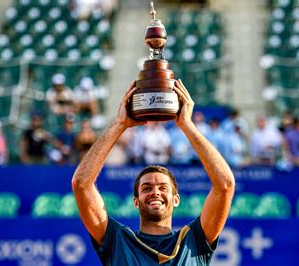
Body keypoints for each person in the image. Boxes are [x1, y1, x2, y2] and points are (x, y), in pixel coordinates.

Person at [71, 80, 235, 265]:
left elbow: (225, 185)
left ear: (176, 199)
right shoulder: (117, 240)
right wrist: (119, 124)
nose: (155, 192)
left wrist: (187, 125)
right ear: (135, 201)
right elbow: (81, 184)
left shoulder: (194, 241)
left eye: (163, 187)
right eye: (147, 188)